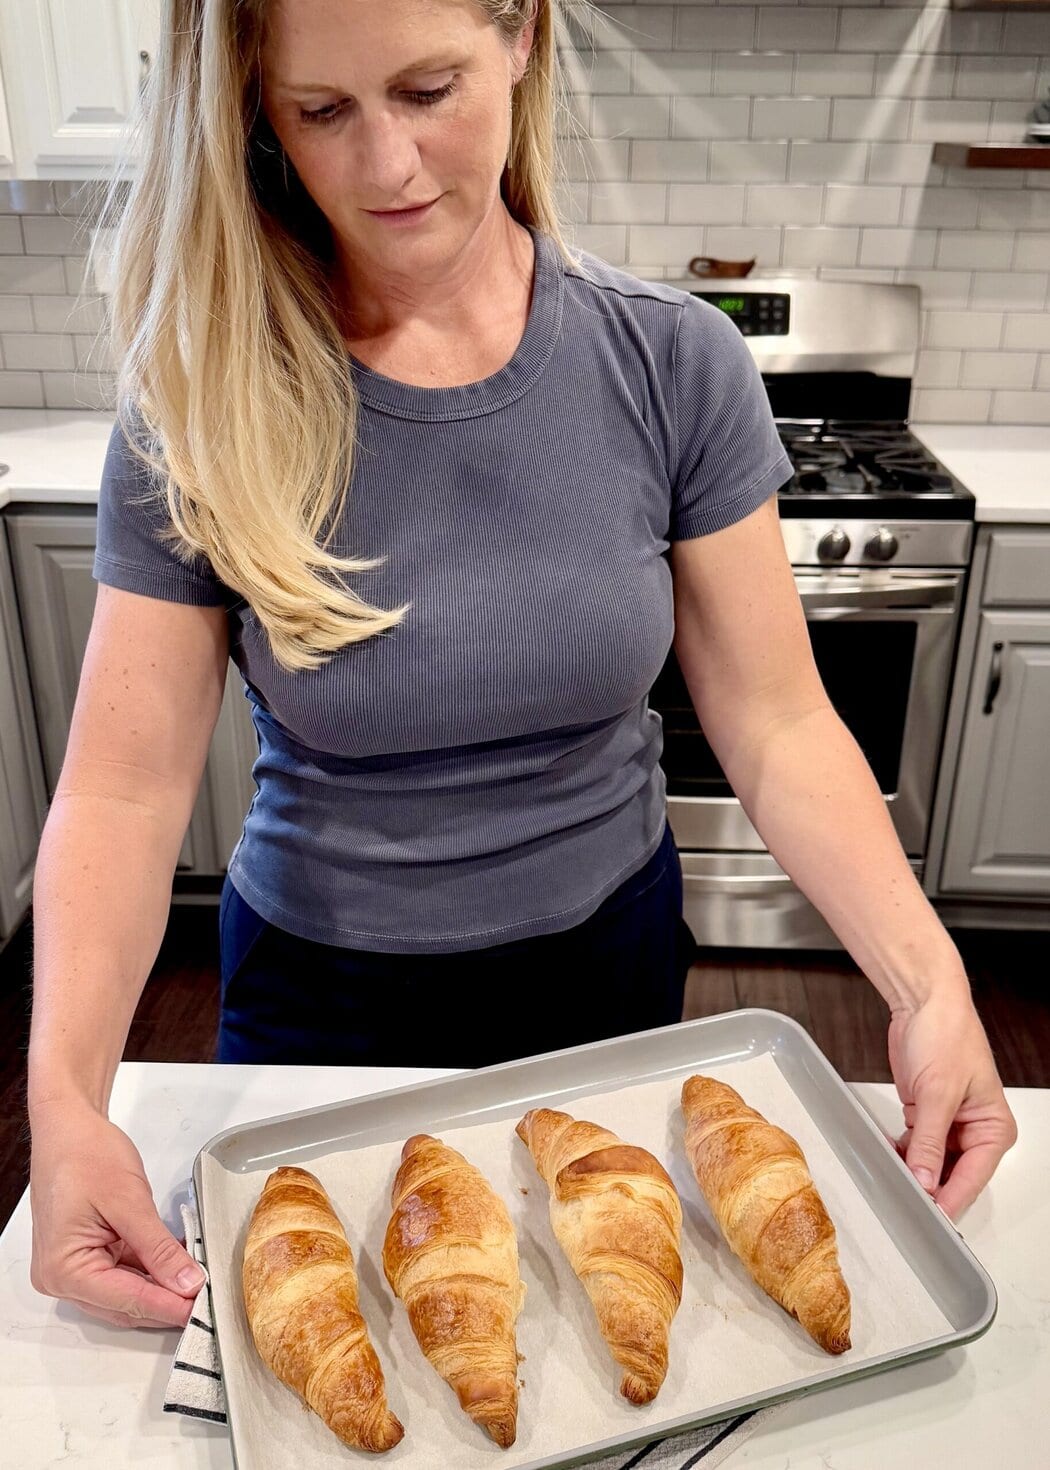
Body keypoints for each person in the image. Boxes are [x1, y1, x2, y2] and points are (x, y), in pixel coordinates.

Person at [27, 0, 1015, 1336]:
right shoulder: (199, 397)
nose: (387, 166)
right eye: (321, 112)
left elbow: (778, 721)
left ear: (521, 37)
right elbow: (124, 797)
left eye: (428, 88)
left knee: (603, 1343)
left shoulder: (670, 360)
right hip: (320, 994)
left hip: (601, 968)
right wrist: (64, 1100)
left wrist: (928, 982)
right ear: (254, 108)